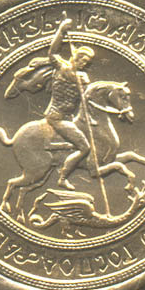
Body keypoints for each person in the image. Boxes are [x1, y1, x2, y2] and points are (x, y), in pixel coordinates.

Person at [44, 15, 95, 190]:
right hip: (57, 117)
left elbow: (86, 98)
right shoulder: (62, 67)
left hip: (70, 118)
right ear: (75, 57)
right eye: (82, 60)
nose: (83, 64)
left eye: (86, 63)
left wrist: (85, 86)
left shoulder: (83, 77)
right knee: (85, 147)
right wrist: (61, 31)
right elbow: (52, 53)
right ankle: (63, 177)